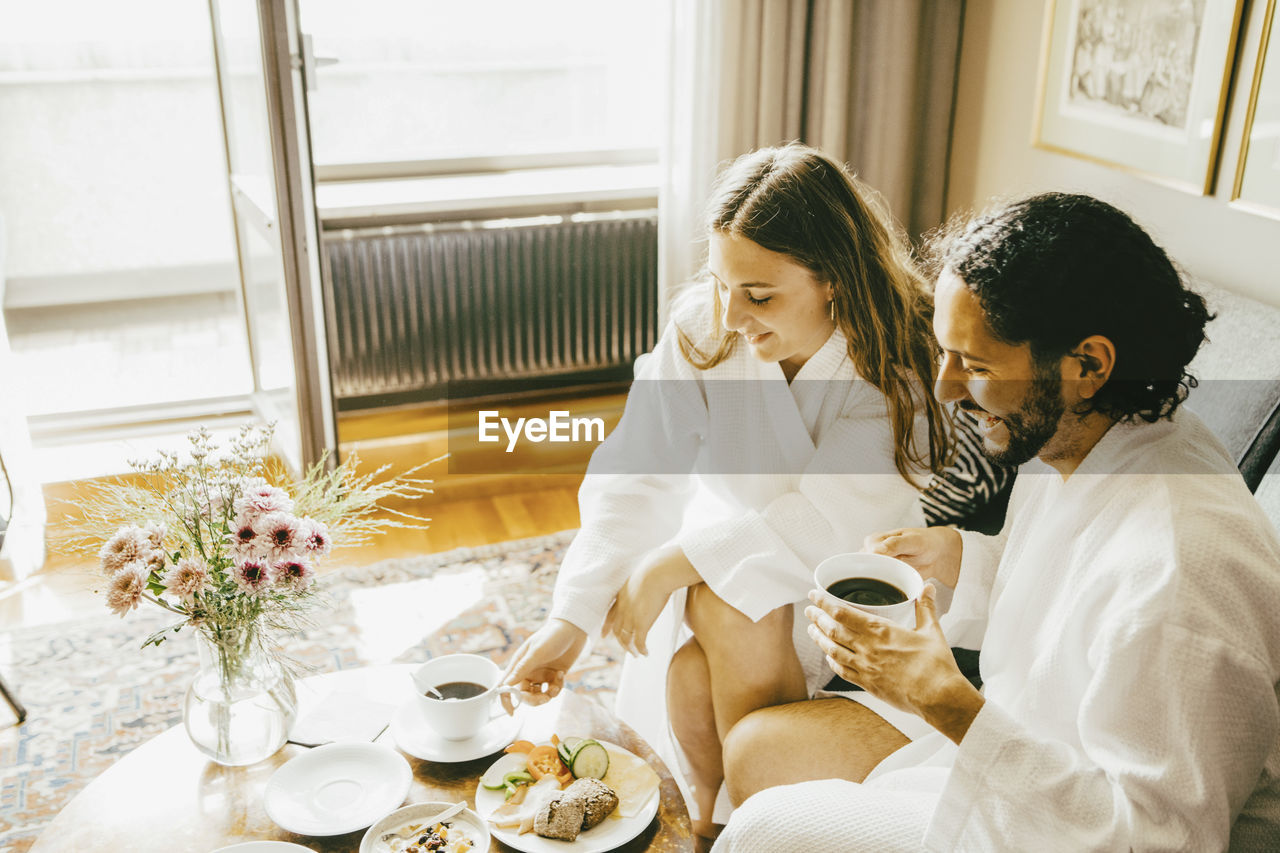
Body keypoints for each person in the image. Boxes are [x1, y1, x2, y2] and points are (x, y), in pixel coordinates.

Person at [714, 192, 1280, 851]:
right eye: (947, 355)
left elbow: (1156, 842)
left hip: (1064, 821)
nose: (948, 388)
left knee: (760, 832)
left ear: (1088, 364)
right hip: (1022, 746)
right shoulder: (1090, 438)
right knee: (757, 753)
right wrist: (964, 558)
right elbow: (1075, 600)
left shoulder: (1185, 575)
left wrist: (946, 701)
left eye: (975, 365)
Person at [500, 143, 992, 841]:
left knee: (712, 631)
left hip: (848, 580)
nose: (731, 315)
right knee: (723, 606)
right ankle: (721, 820)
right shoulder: (705, 328)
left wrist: (674, 560)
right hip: (738, 577)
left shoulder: (894, 361)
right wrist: (572, 615)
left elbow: (836, 522)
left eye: (759, 295)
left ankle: (728, 821)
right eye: (721, 283)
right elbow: (640, 465)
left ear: (834, 280)